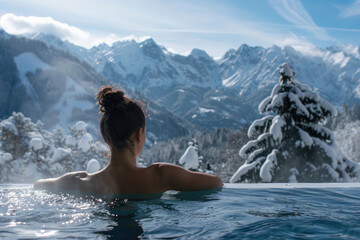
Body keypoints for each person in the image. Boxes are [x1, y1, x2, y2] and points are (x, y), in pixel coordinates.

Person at [34, 86, 223, 194]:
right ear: (139, 134)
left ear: (106, 137)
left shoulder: (78, 182)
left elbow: (38, 185)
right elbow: (216, 182)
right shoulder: (161, 176)